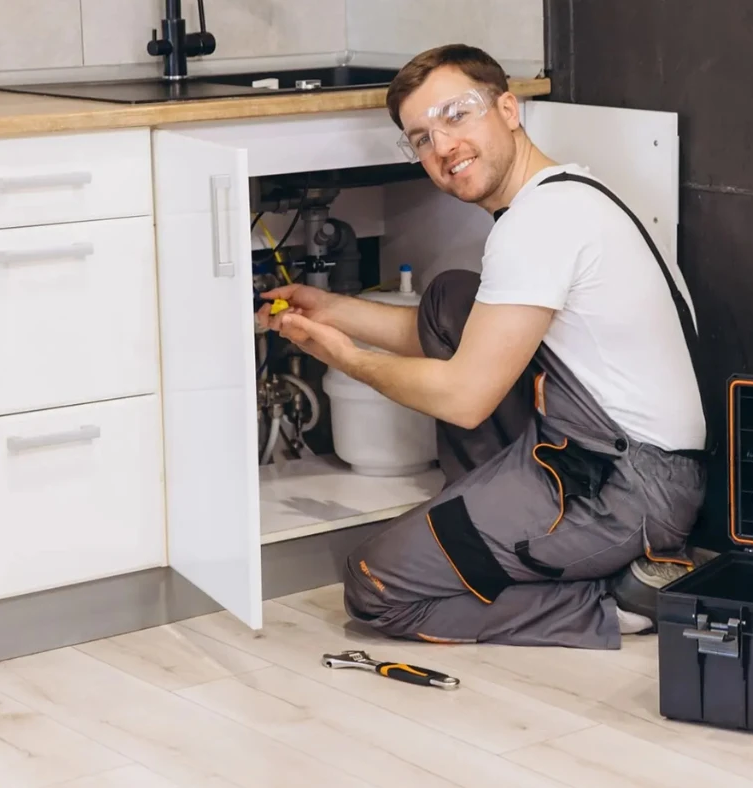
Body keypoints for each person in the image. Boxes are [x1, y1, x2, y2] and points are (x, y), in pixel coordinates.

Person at [256, 43, 709, 649]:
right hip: (612, 460)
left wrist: (343, 356)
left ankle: (618, 603)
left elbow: (466, 398)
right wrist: (330, 310)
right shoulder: (568, 193)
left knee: (376, 586)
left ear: (508, 109)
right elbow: (449, 336)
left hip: (623, 490)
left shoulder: (538, 224)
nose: (441, 147)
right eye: (420, 138)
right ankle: (490, 530)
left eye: (455, 116)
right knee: (449, 302)